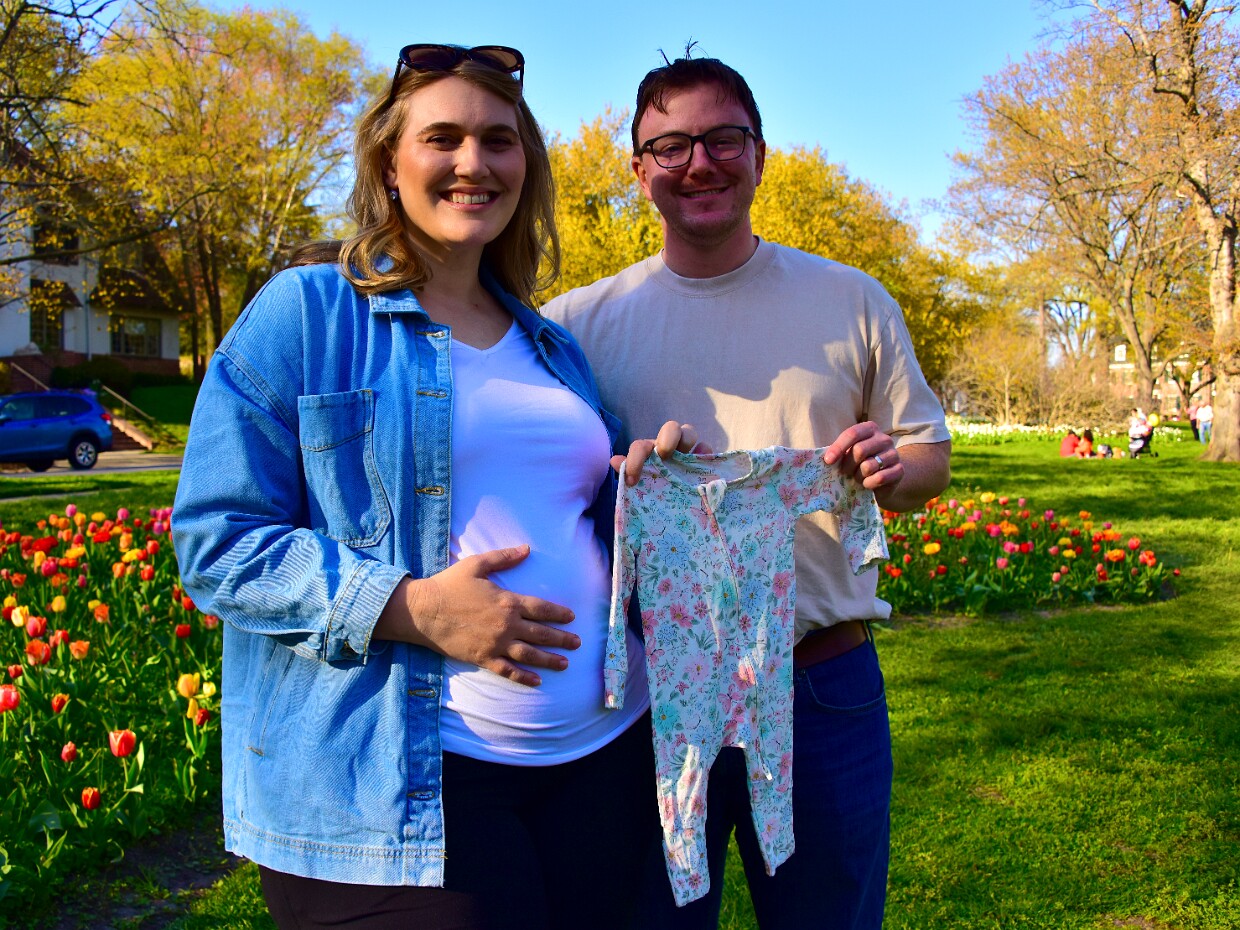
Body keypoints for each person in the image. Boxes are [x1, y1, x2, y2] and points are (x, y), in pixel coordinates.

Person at [171, 44, 653, 930]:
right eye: (444, 138)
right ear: (390, 167)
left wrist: (646, 485)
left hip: (601, 761)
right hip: (399, 786)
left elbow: (572, 515)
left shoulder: (552, 346)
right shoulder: (309, 312)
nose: (475, 162)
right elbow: (217, 538)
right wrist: (411, 608)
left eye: (500, 141)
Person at [543, 51, 951, 930]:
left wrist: (891, 467)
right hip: (651, 695)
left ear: (760, 155)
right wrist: (620, 475)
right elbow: (550, 489)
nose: (700, 162)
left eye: (725, 139)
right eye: (672, 145)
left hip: (819, 688)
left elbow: (930, 460)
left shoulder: (852, 302)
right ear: (638, 168)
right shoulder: (574, 327)